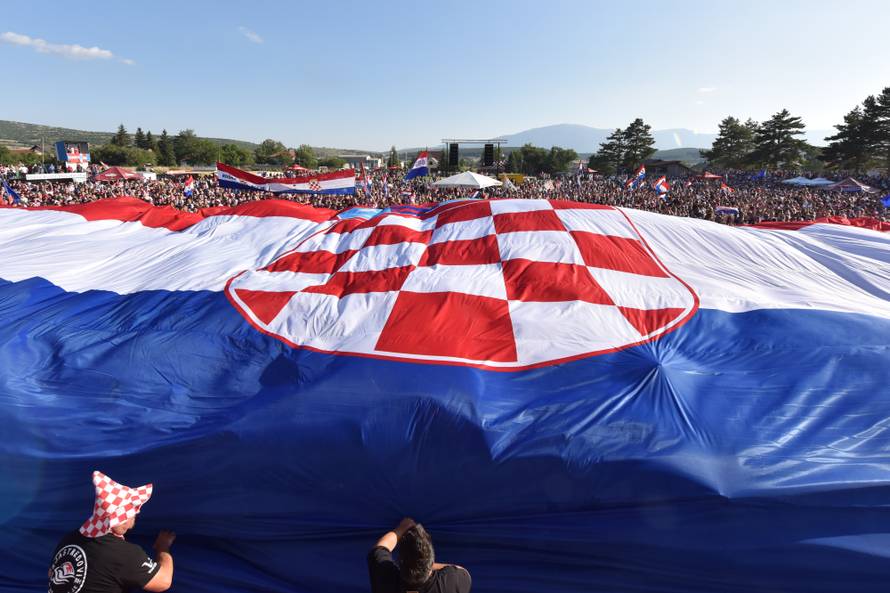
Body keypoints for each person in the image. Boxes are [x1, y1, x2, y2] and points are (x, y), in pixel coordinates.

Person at [48, 471, 175, 593]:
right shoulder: (123, 553)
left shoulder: (69, 539)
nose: (131, 525)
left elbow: (51, 573)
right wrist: (162, 547)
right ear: (121, 519)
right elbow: (163, 582)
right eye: (133, 516)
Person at [368, 517, 471, 593]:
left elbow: (380, 548)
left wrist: (401, 529)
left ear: (399, 561)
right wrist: (424, 564)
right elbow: (462, 571)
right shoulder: (450, 583)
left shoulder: (385, 580)